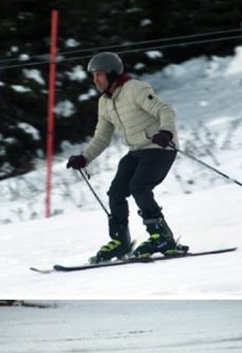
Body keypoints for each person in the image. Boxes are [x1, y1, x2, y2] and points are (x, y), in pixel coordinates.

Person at [66, 52, 182, 264]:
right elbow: (101, 137)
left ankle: (162, 237)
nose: (95, 80)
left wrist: (165, 133)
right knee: (117, 192)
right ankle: (121, 241)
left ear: (111, 73)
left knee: (139, 187)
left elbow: (165, 110)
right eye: (93, 76)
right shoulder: (105, 102)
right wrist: (84, 158)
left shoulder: (135, 89)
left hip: (159, 148)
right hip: (136, 151)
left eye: (99, 74)